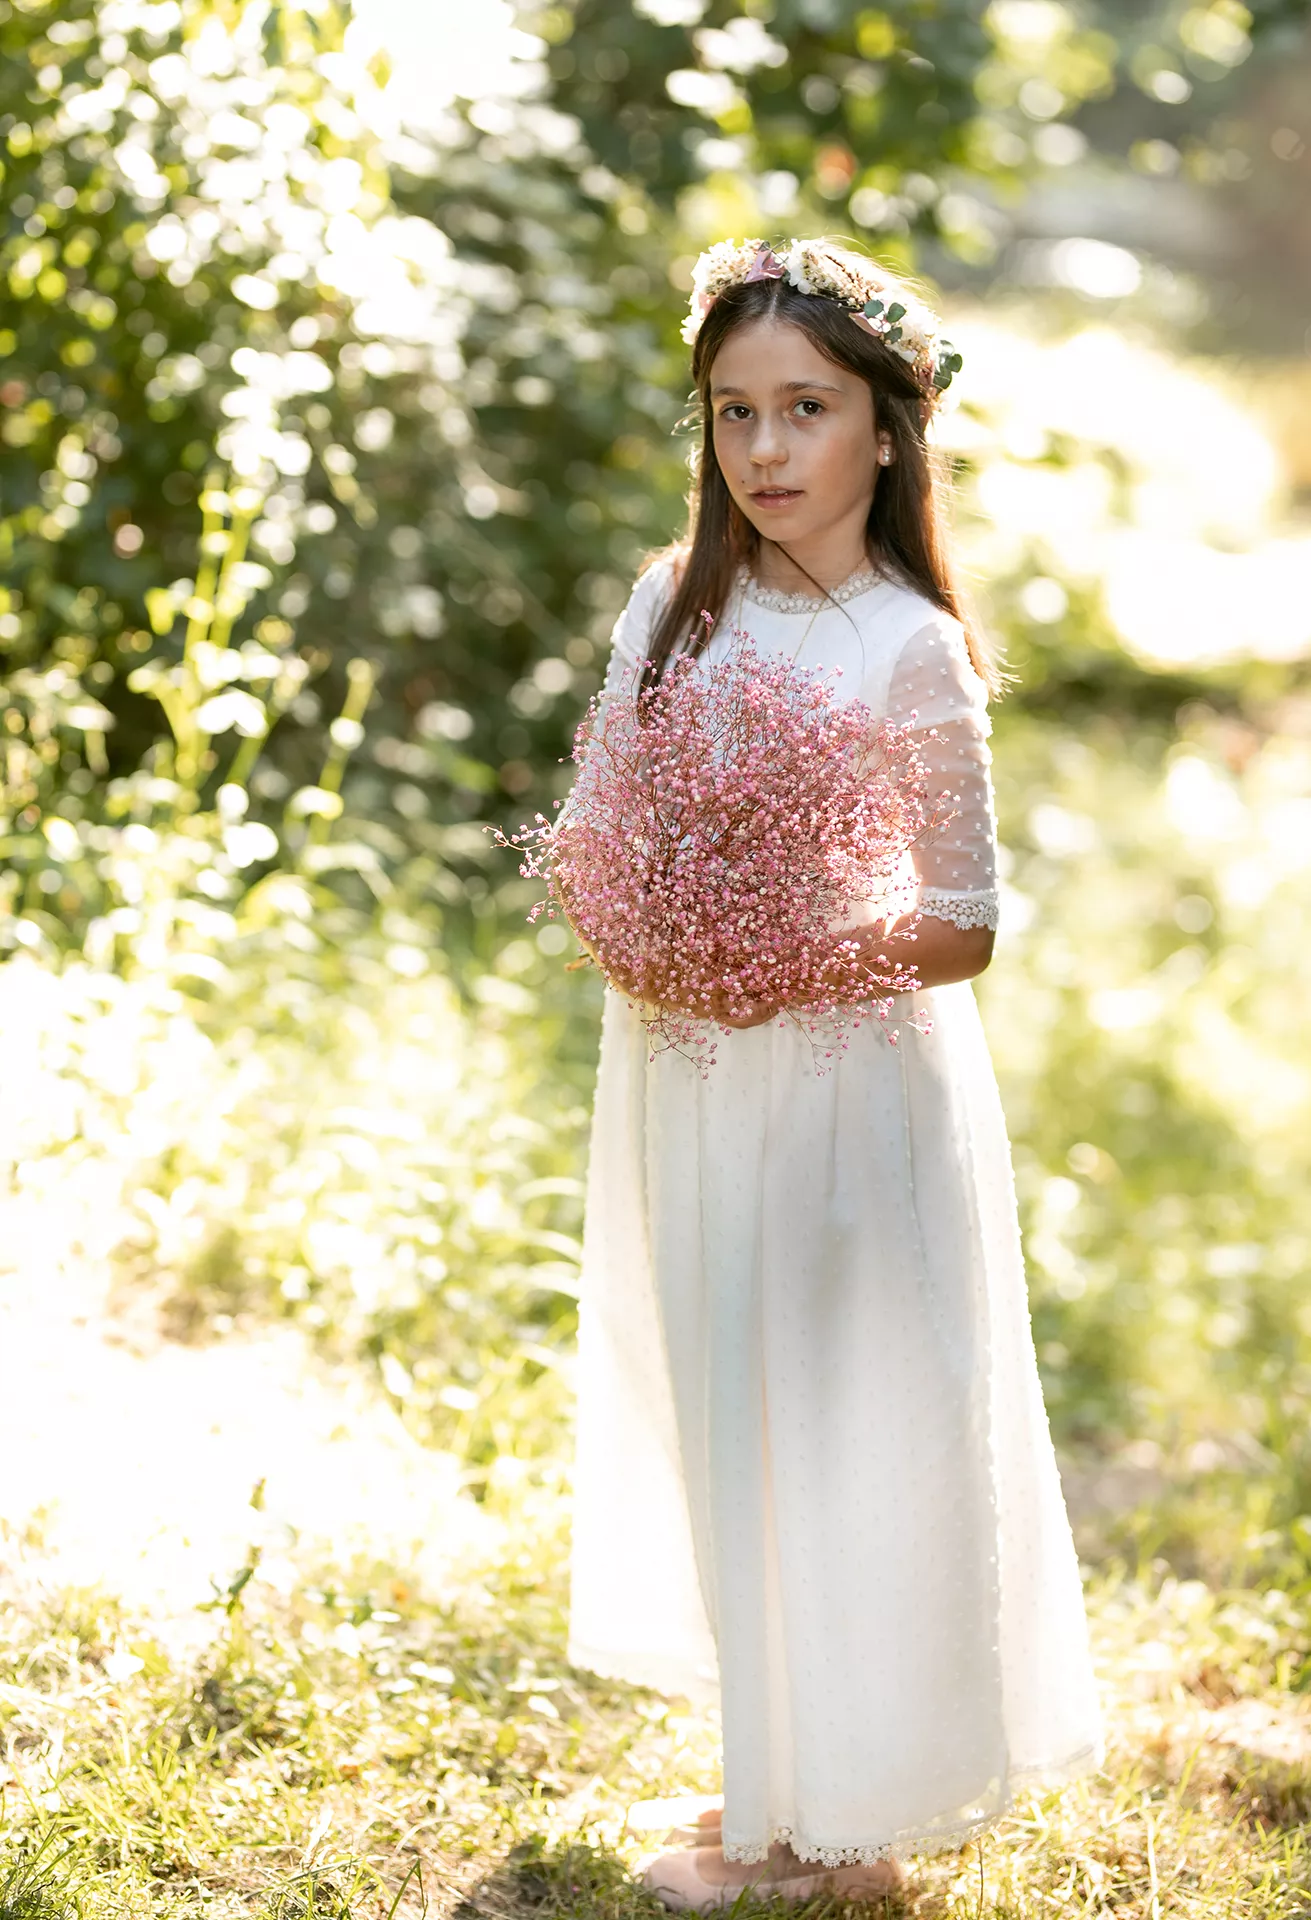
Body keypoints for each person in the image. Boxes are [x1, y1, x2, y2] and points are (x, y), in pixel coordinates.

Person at [564, 238, 1102, 1911]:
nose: (766, 448)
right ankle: (779, 1780)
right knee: (729, 1404)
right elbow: (599, 805)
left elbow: (961, 924)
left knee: (843, 1422)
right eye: (733, 412)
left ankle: (841, 1833)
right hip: (687, 1072)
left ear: (887, 425)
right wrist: (624, 914)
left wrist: (769, 962)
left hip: (842, 1086)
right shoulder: (674, 603)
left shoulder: (904, 646)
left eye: (805, 408)